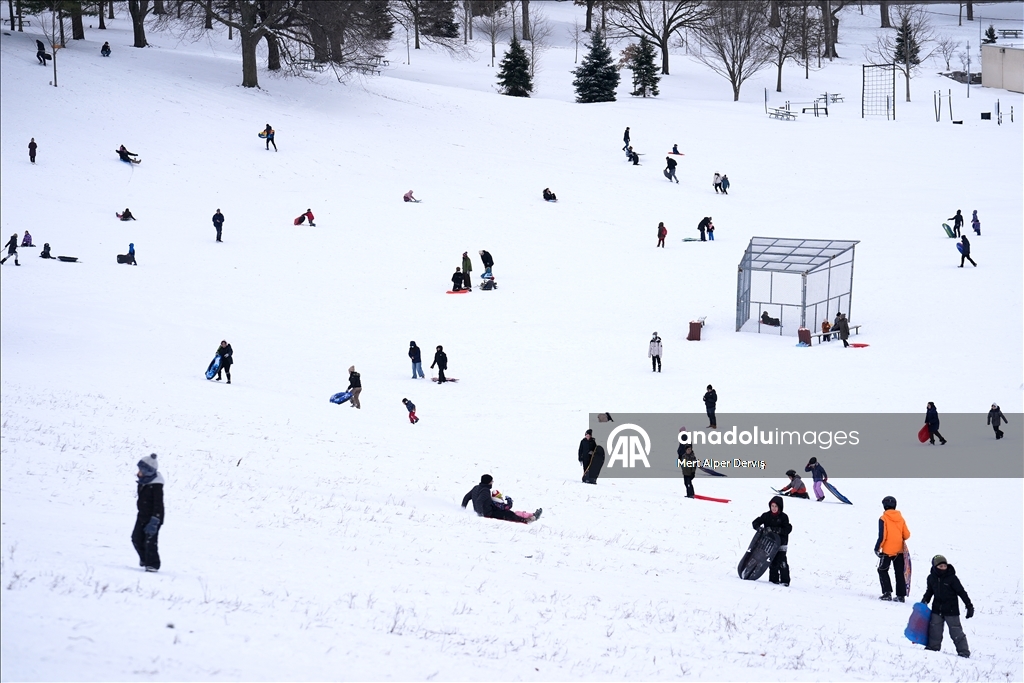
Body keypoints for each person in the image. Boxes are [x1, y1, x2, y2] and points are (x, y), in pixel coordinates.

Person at [922, 555, 974, 658]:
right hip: (937, 609)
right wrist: (924, 601)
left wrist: (969, 605)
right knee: (934, 631)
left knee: (956, 632)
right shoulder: (931, 578)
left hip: (951, 610)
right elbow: (929, 592)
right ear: (935, 567)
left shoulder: (952, 578)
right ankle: (933, 648)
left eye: (944, 566)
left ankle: (963, 652)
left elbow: (961, 592)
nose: (943, 568)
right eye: (940, 566)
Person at [132, 453, 164, 572]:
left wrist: (155, 520)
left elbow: (158, 504)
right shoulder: (143, 482)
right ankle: (145, 559)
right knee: (136, 538)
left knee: (150, 541)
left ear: (148, 471)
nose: (138, 472)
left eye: (141, 470)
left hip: (154, 518)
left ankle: (153, 564)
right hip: (142, 515)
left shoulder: (156, 486)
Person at [462, 474, 541, 523]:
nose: (492, 483)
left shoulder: (476, 488)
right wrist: (481, 515)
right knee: (508, 514)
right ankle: (526, 520)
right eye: (491, 481)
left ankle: (530, 516)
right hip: (489, 513)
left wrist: (462, 509)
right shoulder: (485, 491)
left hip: (489, 510)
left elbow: (466, 497)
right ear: (488, 482)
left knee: (508, 512)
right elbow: (479, 501)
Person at [874, 495, 910, 601]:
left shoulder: (883, 518)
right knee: (899, 572)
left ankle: (887, 593)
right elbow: (907, 535)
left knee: (882, 570)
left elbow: (882, 536)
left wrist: (877, 548)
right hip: (899, 550)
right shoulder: (901, 518)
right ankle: (901, 596)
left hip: (887, 551)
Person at [752, 496, 792, 586]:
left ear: (780, 507)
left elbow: (787, 529)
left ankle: (785, 581)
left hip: (781, 543)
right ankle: (773, 580)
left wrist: (774, 530)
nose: (774, 508)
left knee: (782, 561)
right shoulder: (766, 516)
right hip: (769, 544)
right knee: (772, 561)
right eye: (772, 506)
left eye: (776, 506)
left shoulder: (784, 517)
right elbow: (755, 522)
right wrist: (759, 528)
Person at [678, 429, 696, 498]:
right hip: (685, 472)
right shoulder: (685, 456)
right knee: (686, 483)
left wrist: (693, 472)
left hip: (689, 472)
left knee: (688, 483)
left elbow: (681, 447)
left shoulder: (683, 437)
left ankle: (691, 494)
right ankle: (690, 493)